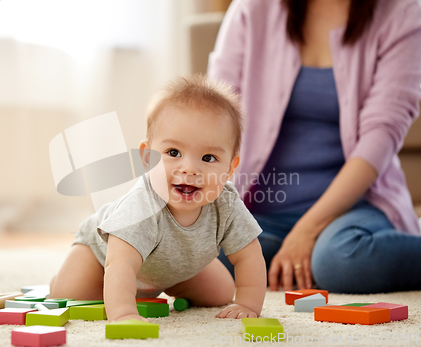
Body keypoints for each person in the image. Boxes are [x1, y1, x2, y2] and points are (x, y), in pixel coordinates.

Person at [209, 0, 421, 294]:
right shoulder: (252, 8)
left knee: (338, 262)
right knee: (202, 259)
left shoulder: (403, 11)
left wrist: (307, 231)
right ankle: (292, 257)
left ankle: (313, 253)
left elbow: (381, 136)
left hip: (354, 209)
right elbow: (215, 115)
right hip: (261, 215)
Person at [49, 75, 266, 322]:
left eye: (208, 158)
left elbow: (249, 256)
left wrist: (247, 304)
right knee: (72, 295)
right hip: (101, 257)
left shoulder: (226, 204)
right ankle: (68, 282)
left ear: (230, 167)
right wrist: (124, 314)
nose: (189, 168)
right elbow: (120, 264)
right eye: (173, 152)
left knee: (220, 293)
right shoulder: (141, 207)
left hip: (172, 267)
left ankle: (165, 286)